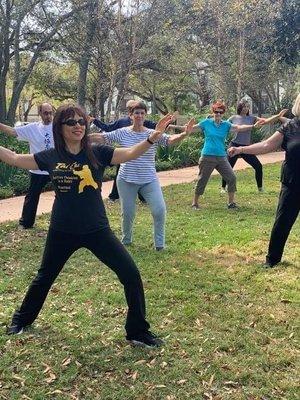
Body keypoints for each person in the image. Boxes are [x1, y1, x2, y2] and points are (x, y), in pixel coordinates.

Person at [0, 103, 173, 347]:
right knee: (44, 277)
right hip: (62, 229)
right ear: (60, 126)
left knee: (131, 275)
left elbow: (129, 153)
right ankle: (21, 319)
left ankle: (137, 331)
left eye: (81, 121)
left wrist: (152, 139)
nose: (78, 126)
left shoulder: (97, 152)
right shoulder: (51, 156)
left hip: (97, 230)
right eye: (71, 122)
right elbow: (16, 158)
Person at [89, 101, 195, 250]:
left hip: (149, 180)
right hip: (126, 179)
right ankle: (126, 240)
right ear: (130, 115)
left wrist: (184, 134)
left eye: (142, 113)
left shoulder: (152, 133)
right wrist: (83, 137)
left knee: (159, 210)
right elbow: (103, 137)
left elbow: (169, 141)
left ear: (145, 115)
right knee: (128, 214)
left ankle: (159, 245)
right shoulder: (123, 132)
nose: (139, 116)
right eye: (136, 113)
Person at [228, 93, 300, 268]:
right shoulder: (290, 126)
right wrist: (240, 150)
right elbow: (266, 145)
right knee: (282, 222)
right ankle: (272, 259)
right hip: (292, 183)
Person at [170, 100, 263, 209]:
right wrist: (172, 125)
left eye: (220, 112)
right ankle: (194, 203)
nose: (218, 114)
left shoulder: (226, 125)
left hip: (221, 157)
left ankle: (231, 203)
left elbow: (238, 128)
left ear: (223, 113)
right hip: (207, 156)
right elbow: (190, 129)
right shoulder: (206, 123)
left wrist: (253, 126)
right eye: (216, 112)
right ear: (213, 112)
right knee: (202, 180)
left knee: (232, 177)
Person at [90, 100, 157, 203]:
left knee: (140, 174)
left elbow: (158, 128)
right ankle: (114, 196)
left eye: (141, 112)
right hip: (125, 156)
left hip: (142, 156)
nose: (139, 115)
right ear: (130, 112)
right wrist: (95, 121)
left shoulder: (145, 122)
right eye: (135, 111)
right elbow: (107, 129)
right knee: (121, 175)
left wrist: (170, 124)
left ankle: (143, 198)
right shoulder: (121, 122)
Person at [0, 103, 54, 228]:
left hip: (55, 167)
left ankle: (65, 222)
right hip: (37, 169)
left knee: (64, 195)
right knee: (32, 196)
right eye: (46, 113)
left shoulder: (58, 128)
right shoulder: (32, 128)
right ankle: (26, 223)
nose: (49, 116)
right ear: (40, 113)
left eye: (51, 113)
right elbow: (13, 131)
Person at [221, 100, 266, 193]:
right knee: (228, 167)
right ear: (240, 107)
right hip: (234, 145)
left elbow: (265, 121)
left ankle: (260, 189)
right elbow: (223, 124)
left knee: (258, 166)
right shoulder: (234, 117)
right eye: (244, 106)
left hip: (246, 147)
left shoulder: (252, 118)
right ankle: (223, 188)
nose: (246, 108)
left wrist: (278, 117)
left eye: (247, 107)